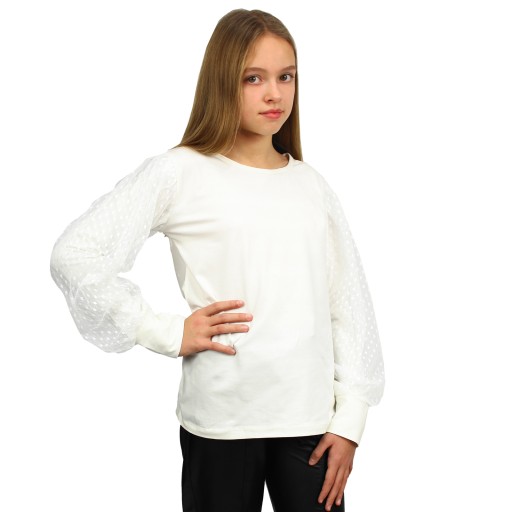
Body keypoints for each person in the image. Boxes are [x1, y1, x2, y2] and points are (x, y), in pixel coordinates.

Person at [50, 8, 384, 512]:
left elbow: (348, 304)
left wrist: (350, 419)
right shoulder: (180, 173)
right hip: (222, 421)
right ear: (222, 81)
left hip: (310, 422)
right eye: (254, 78)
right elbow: (75, 254)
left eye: (286, 77)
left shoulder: (310, 185)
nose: (274, 94)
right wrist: (164, 331)